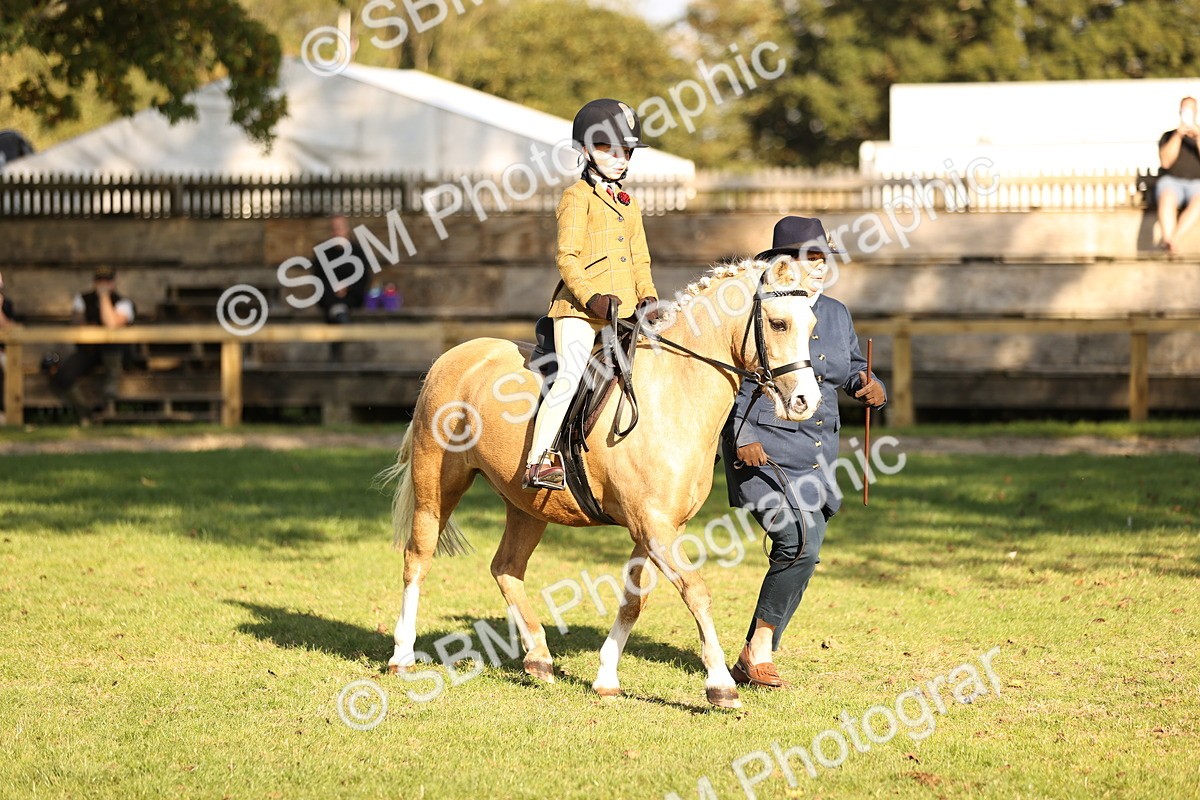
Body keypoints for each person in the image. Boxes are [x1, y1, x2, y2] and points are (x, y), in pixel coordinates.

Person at [720, 216, 887, 689]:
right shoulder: (759, 309)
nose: (818, 267)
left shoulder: (835, 313)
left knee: (805, 552)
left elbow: (851, 367)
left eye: (822, 258)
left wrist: (869, 385)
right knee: (796, 543)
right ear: (783, 264)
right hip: (762, 447)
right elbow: (734, 381)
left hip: (817, 451)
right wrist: (741, 434)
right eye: (808, 258)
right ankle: (760, 652)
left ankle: (755, 652)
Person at [522, 99, 661, 490]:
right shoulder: (575, 197)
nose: (619, 159)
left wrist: (648, 296)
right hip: (580, 311)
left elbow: (641, 259)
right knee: (568, 377)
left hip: (625, 312)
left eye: (626, 151)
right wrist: (591, 298)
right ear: (585, 150)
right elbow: (566, 258)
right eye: (608, 150)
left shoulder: (628, 203)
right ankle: (539, 460)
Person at [49, 266, 135, 424]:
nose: (103, 284)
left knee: (111, 342)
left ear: (114, 283)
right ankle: (87, 412)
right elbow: (77, 326)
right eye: (100, 281)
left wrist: (104, 299)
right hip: (88, 351)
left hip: (115, 354)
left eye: (107, 281)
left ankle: (111, 383)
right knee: (62, 375)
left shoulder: (124, 303)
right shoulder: (82, 299)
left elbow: (111, 325)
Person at [317, 214, 370, 360]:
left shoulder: (357, 252)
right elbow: (317, 279)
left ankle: (339, 313)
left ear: (346, 229)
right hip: (330, 296)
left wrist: (348, 288)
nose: (337, 232)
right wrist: (335, 288)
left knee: (343, 303)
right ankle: (339, 314)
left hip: (351, 296)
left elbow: (364, 278)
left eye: (339, 228)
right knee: (330, 299)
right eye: (334, 229)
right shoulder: (323, 253)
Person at [1156, 96, 1200, 254]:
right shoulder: (1168, 136)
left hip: (1196, 184)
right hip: (1172, 181)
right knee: (1167, 197)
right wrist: (1178, 135)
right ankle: (1168, 238)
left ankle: (1172, 241)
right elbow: (1166, 162)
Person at [0, 272, 15, 423]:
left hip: (3, 352)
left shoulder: (7, 304)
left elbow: (10, 329)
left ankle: (7, 414)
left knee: (9, 365)